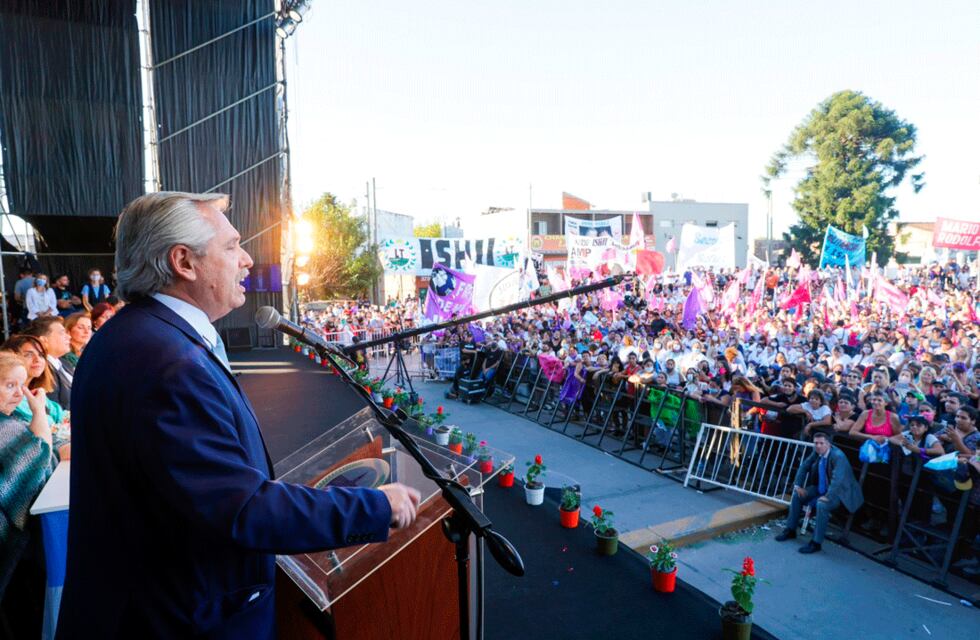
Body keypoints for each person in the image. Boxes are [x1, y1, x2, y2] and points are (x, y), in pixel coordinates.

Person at [57, 192, 420, 639]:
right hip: (177, 620)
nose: (246, 259)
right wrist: (376, 506)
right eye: (231, 246)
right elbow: (239, 509)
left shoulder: (137, 335)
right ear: (183, 262)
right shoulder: (167, 365)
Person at [0, 351, 55, 599]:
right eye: (9, 385)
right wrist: (39, 411)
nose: (18, 394)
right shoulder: (4, 427)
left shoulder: (8, 422)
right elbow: (38, 455)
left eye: (20, 386)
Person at [775, 432, 864, 554]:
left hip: (840, 492)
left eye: (821, 443)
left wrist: (827, 497)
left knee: (821, 505)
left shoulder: (838, 456)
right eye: (816, 443)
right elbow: (804, 466)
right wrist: (798, 486)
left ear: (828, 444)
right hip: (821, 487)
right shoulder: (817, 452)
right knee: (797, 496)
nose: (818, 446)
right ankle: (790, 530)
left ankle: (816, 543)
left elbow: (837, 480)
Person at [22, 317, 73, 409]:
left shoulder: (65, 363)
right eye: (62, 333)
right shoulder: (38, 370)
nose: (69, 336)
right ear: (44, 341)